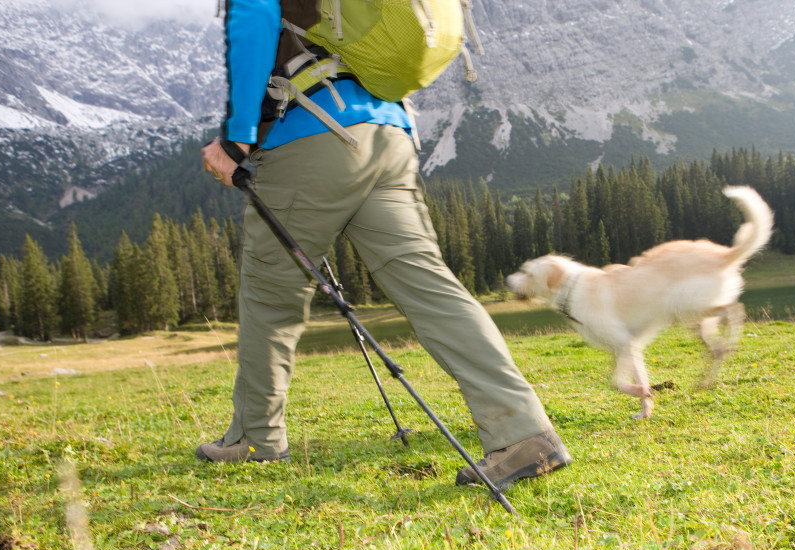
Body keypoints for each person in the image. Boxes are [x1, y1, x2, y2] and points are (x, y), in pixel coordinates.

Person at [198, 0, 571, 492]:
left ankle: (256, 438)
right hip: (388, 130)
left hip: (312, 129)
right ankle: (523, 432)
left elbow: (254, 18)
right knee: (431, 288)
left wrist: (238, 137)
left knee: (272, 297)